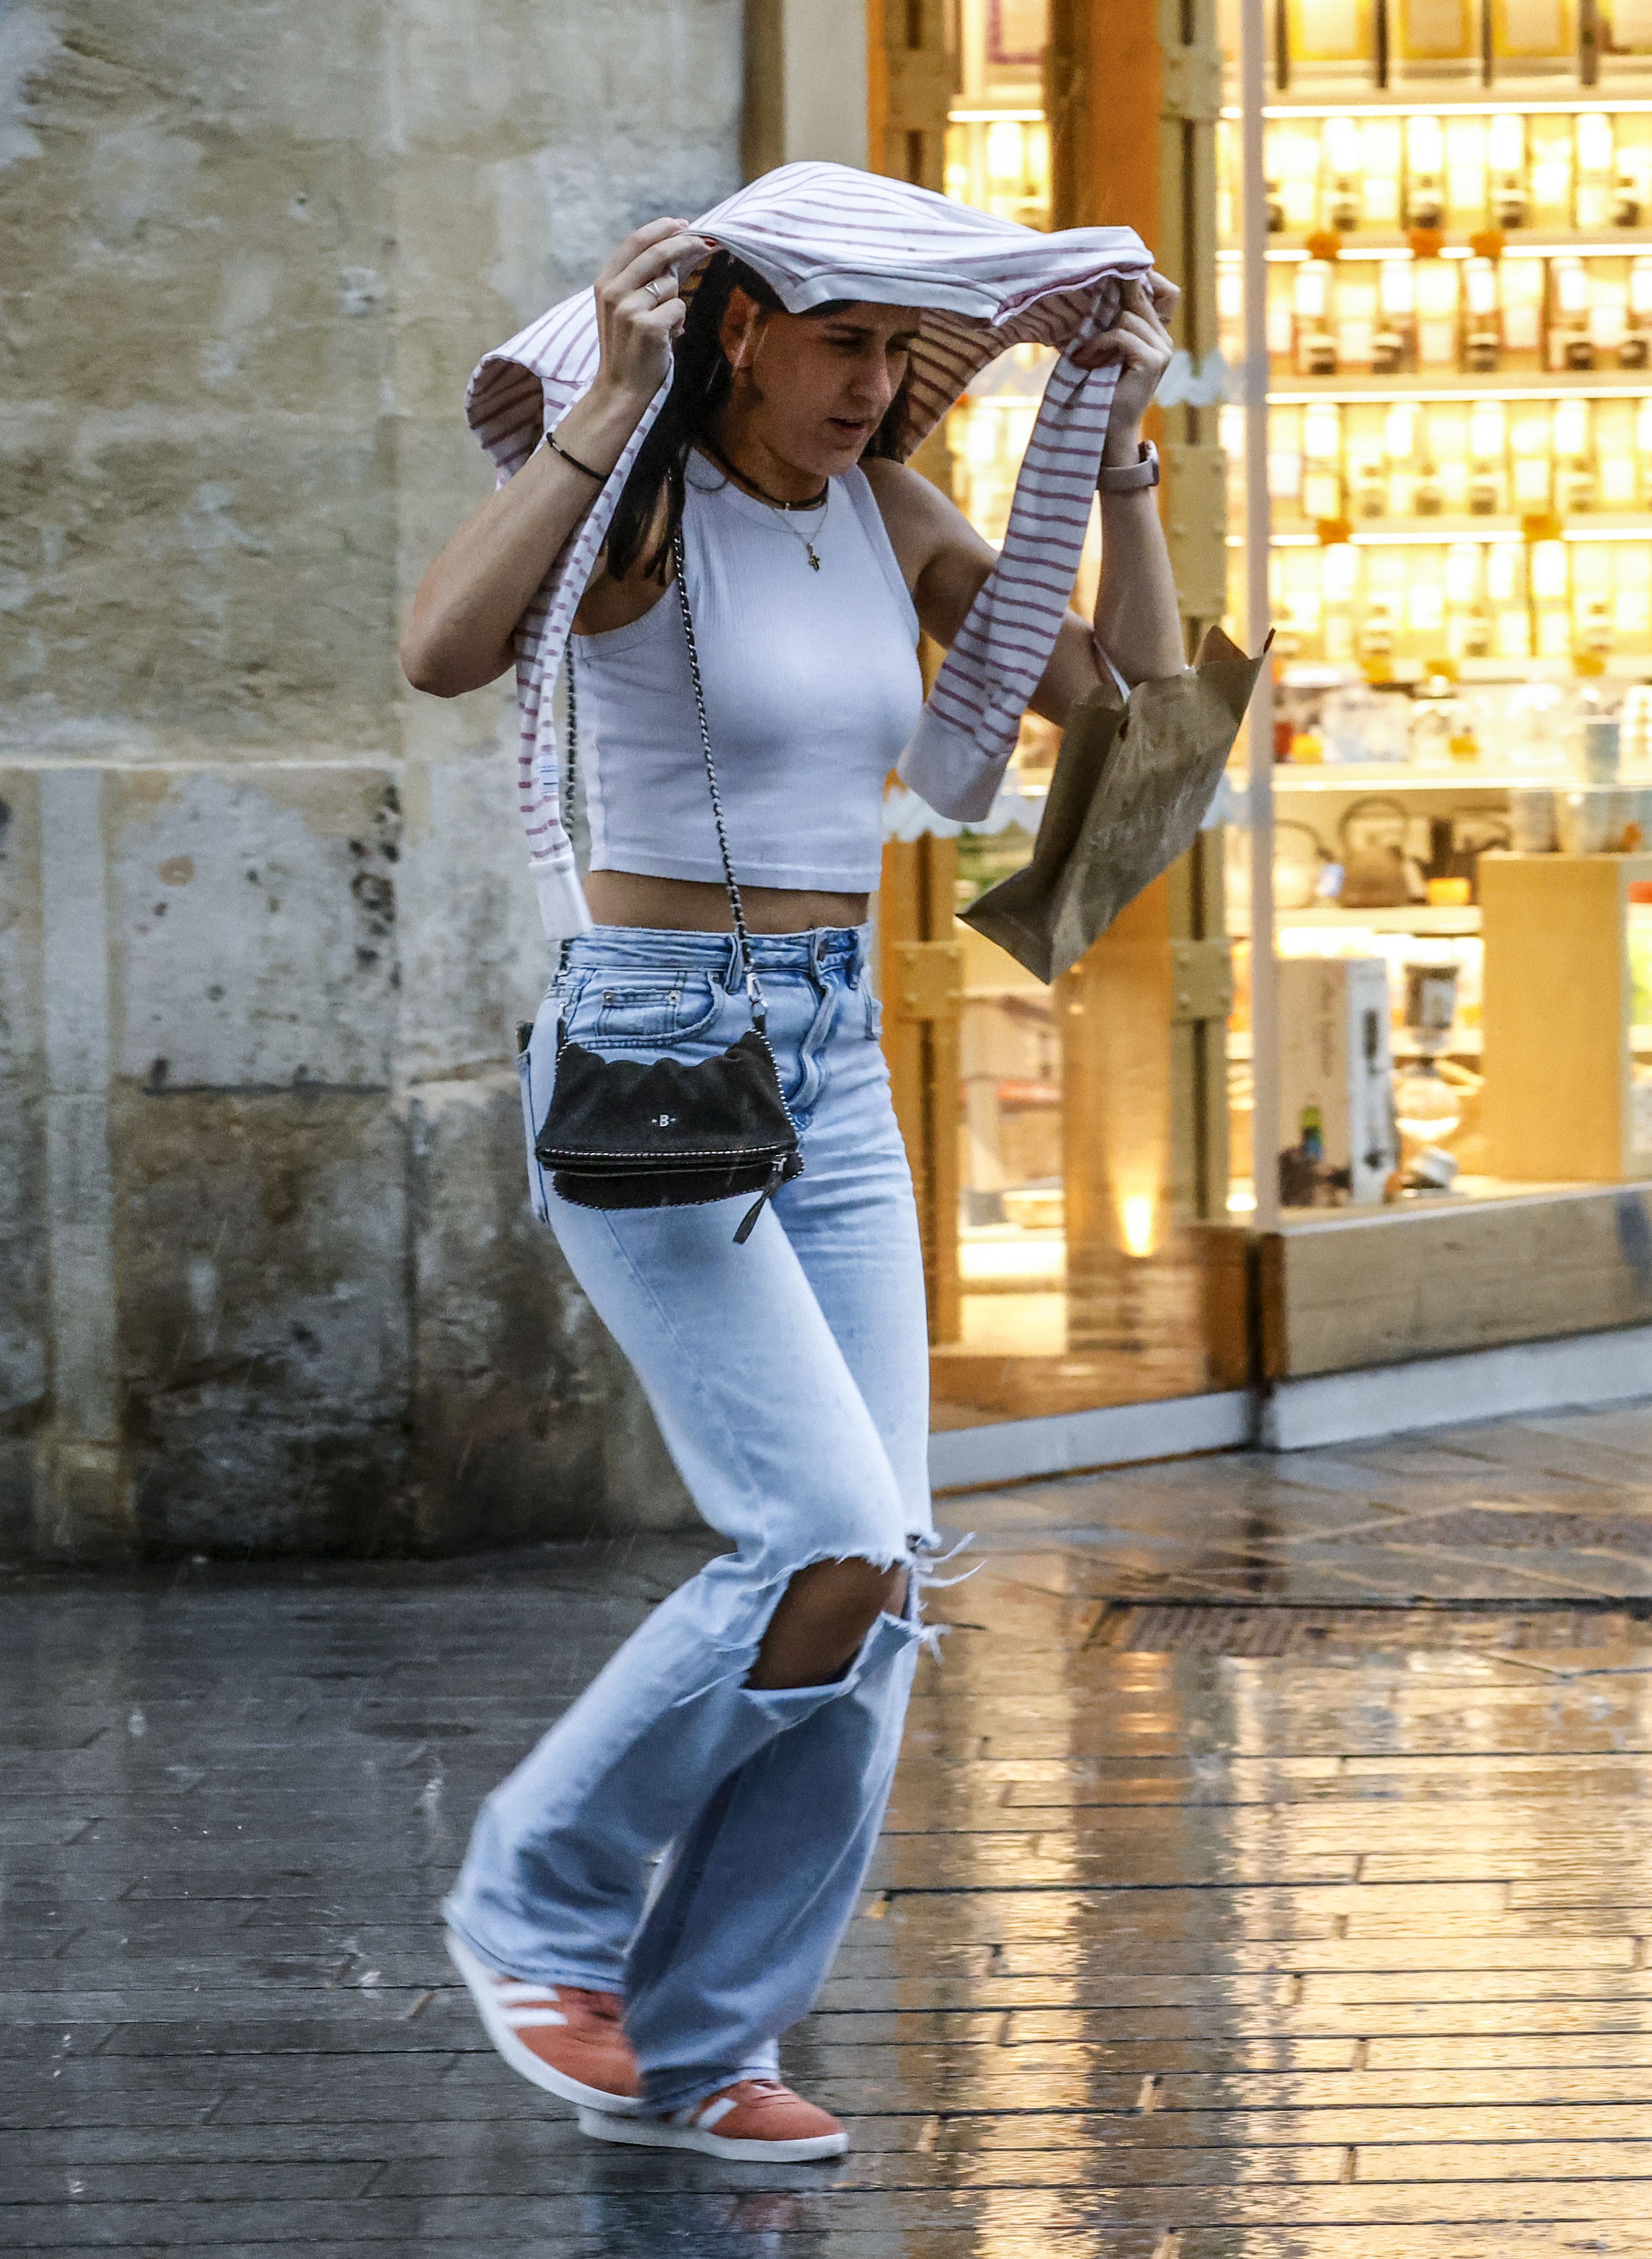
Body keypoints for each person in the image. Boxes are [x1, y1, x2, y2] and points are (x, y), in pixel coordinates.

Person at [397, 172, 1180, 2162]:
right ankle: (535, 1905)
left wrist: (1122, 467)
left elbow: (1134, 724)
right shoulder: (650, 513)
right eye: (842, 343)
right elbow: (441, 648)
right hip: (654, 1040)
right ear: (739, 329)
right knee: (820, 1532)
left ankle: (701, 2039)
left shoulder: (889, 511)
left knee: (882, 1571)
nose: (874, 387)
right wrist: (611, 397)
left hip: (829, 1061)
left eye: (902, 352)